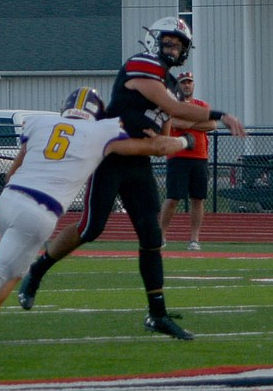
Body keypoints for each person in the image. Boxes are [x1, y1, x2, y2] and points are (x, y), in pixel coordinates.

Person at [0, 86, 190, 344]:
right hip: (39, 212)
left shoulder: (40, 122)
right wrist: (184, 140)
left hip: (10, 198)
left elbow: (15, 166)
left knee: (13, 269)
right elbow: (154, 147)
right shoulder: (103, 132)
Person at [17, 17, 246, 340]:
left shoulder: (167, 82)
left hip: (137, 162)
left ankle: (157, 314)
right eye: (168, 42)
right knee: (91, 228)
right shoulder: (141, 65)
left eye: (178, 45)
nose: (172, 49)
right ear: (154, 41)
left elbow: (164, 134)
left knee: (151, 237)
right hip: (111, 155)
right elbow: (169, 105)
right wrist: (220, 116)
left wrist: (170, 139)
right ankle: (37, 271)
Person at [159, 71, 215, 251]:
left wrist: (190, 124)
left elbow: (212, 124)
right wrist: (196, 123)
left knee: (197, 199)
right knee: (173, 197)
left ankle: (194, 239)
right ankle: (160, 236)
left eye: (189, 82)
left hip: (200, 157)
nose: (187, 85)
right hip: (178, 157)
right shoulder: (173, 105)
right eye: (183, 82)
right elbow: (176, 124)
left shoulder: (201, 105)